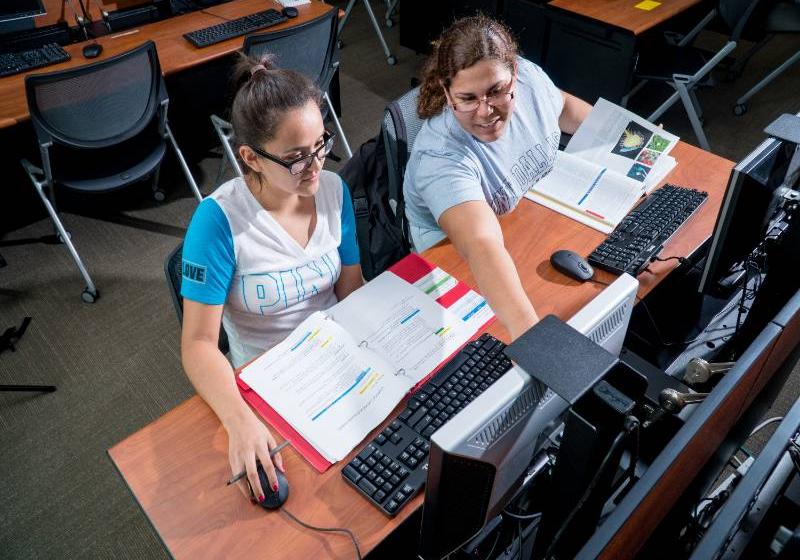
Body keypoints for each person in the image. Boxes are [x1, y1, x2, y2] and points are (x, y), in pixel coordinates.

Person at [179, 56, 362, 505]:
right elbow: (198, 344)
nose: (316, 166)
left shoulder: (334, 192)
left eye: (321, 145)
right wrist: (238, 421)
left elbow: (352, 289)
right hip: (268, 384)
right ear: (250, 158)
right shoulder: (218, 222)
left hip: (336, 363)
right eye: (297, 158)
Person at [404, 15, 593, 341]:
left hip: (524, 224)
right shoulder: (439, 157)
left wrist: (631, 139)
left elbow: (563, 109)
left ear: (514, 75)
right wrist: (534, 344)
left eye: (497, 91)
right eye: (468, 98)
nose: (485, 110)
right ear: (448, 94)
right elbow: (481, 245)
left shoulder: (531, 81)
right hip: (456, 265)